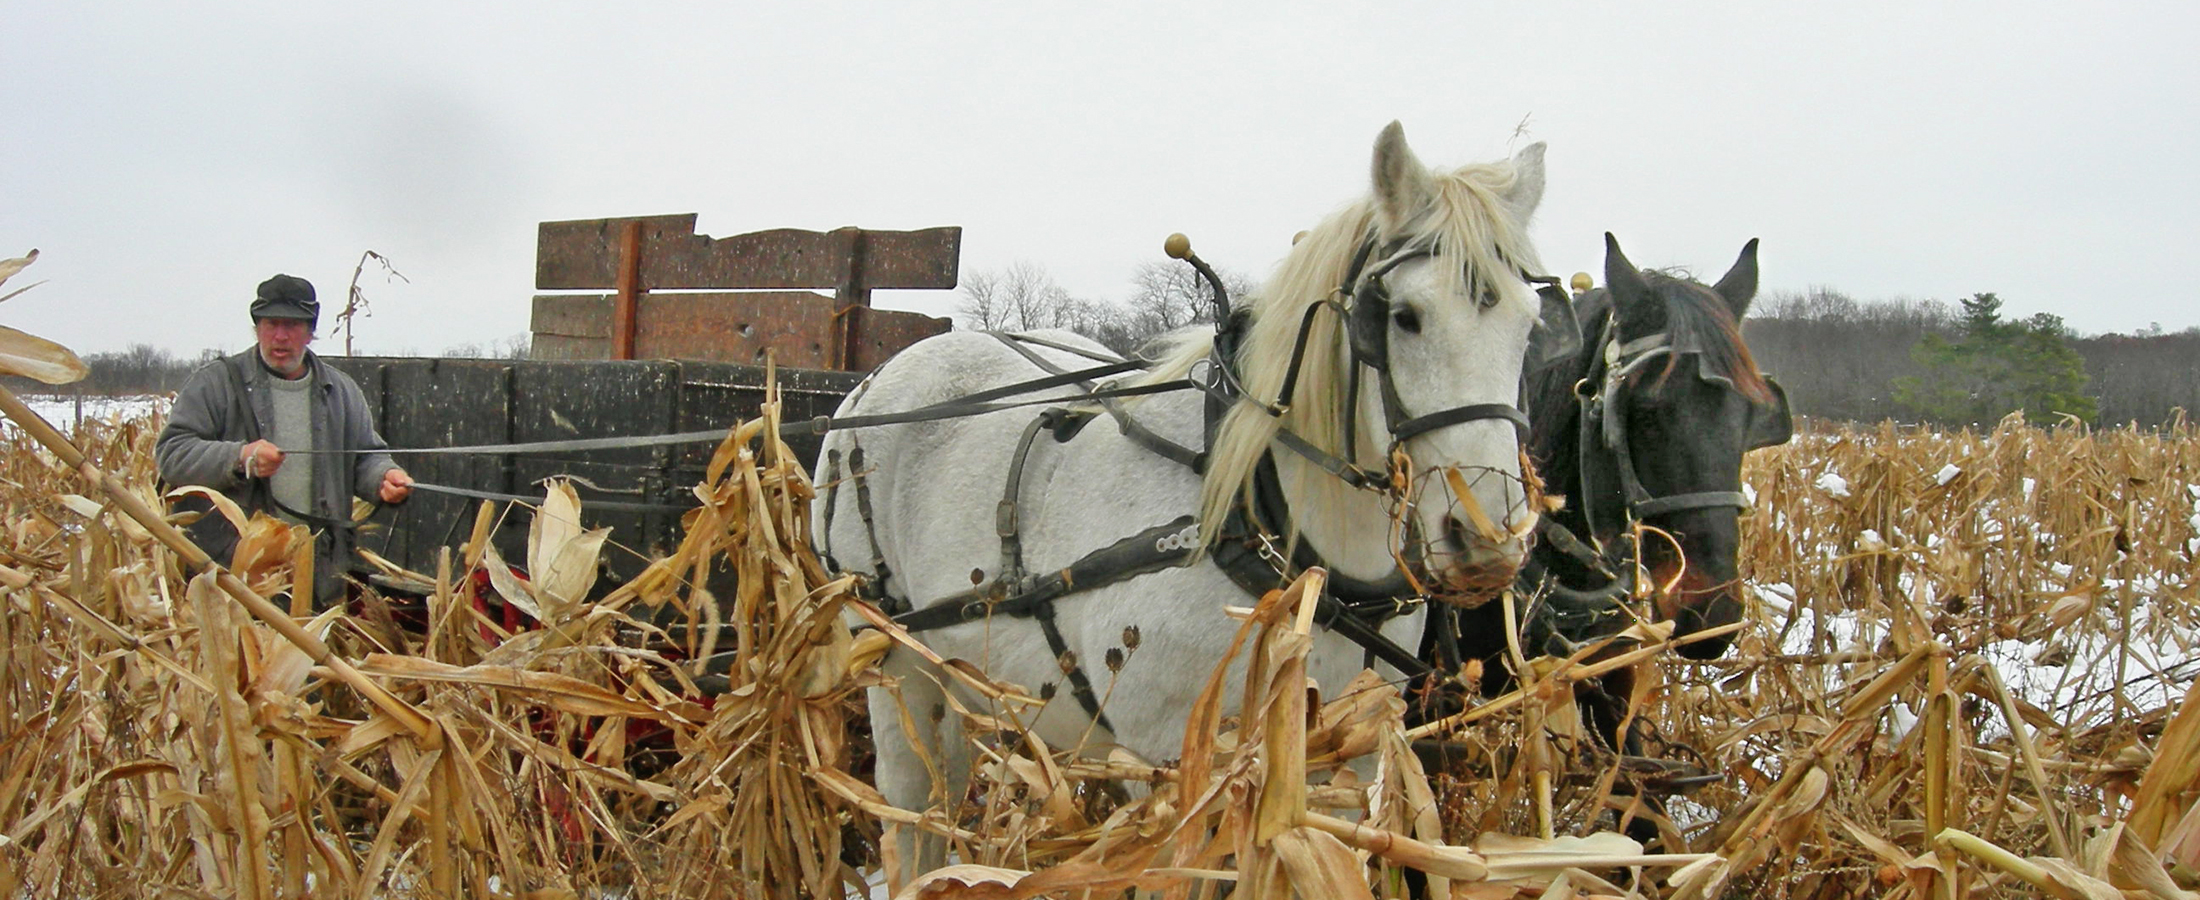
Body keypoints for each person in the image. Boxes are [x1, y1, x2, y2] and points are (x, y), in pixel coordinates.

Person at [156, 274, 413, 605]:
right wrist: (240, 457)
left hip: (318, 576)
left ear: (310, 331)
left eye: (293, 325)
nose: (280, 336)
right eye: (271, 323)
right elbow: (171, 454)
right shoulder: (216, 384)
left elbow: (365, 456)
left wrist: (383, 478)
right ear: (257, 327)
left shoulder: (341, 390)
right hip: (233, 578)